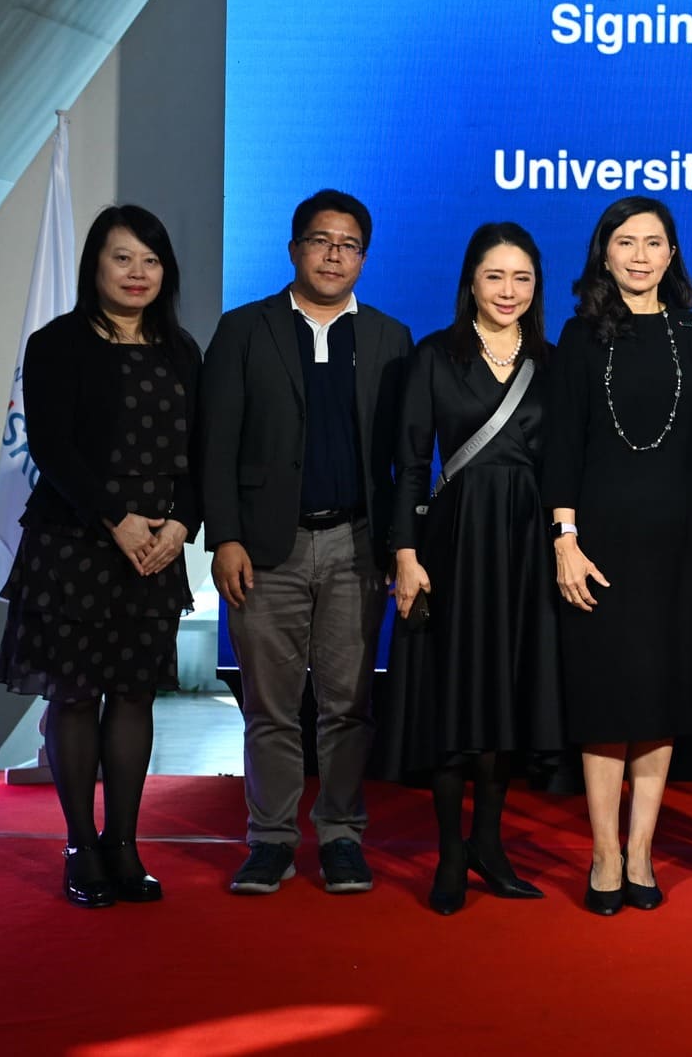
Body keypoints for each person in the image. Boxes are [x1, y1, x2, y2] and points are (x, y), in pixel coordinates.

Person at [202, 188, 412, 895]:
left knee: (349, 703)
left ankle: (343, 835)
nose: (334, 254)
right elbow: (217, 443)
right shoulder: (245, 329)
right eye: (321, 240)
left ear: (364, 257)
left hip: (356, 543)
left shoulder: (389, 337)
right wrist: (225, 535)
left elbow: (403, 458)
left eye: (349, 244)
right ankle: (269, 840)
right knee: (271, 704)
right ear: (294, 248)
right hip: (268, 548)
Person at [0, 205, 202, 907]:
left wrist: (181, 525)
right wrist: (117, 520)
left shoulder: (181, 350)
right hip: (78, 539)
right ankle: (81, 844)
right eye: (122, 258)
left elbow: (203, 453)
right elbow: (52, 447)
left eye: (150, 259)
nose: (137, 273)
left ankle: (125, 843)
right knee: (76, 693)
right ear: (94, 266)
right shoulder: (57, 343)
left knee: (135, 693)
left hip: (156, 546)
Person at [545, 197, 692, 916]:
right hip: (599, 543)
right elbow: (562, 446)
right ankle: (604, 852)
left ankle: (643, 849)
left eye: (656, 242)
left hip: (679, 539)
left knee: (659, 700)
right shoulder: (579, 336)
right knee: (605, 702)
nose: (642, 255)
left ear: (673, 254)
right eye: (627, 242)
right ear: (605, 252)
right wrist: (565, 539)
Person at [385, 223, 564, 914]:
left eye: (522, 278)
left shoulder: (552, 364)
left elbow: (564, 469)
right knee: (457, 696)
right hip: (455, 545)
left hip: (527, 546)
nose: (509, 291)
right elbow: (408, 465)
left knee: (509, 696)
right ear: (471, 282)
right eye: (496, 276)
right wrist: (405, 552)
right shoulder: (435, 356)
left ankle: (490, 843)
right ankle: (450, 853)